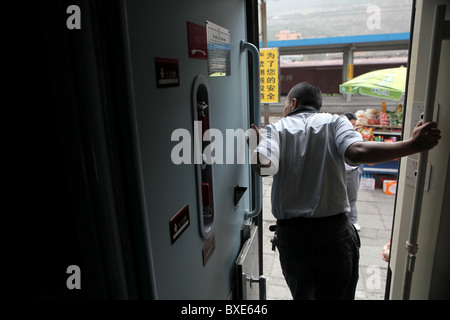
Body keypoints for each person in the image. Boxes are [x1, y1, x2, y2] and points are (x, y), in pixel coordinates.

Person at [250, 82, 441, 300]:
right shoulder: (335, 122)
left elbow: (263, 167)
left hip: (294, 238)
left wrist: (255, 143)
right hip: (334, 234)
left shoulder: (276, 128)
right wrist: (412, 145)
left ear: (293, 103)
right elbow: (357, 152)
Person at [343, 112, 361, 231]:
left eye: (354, 124)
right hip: (341, 171)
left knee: (352, 197)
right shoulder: (338, 136)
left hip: (353, 172)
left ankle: (353, 221)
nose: (353, 127)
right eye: (351, 124)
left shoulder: (358, 136)